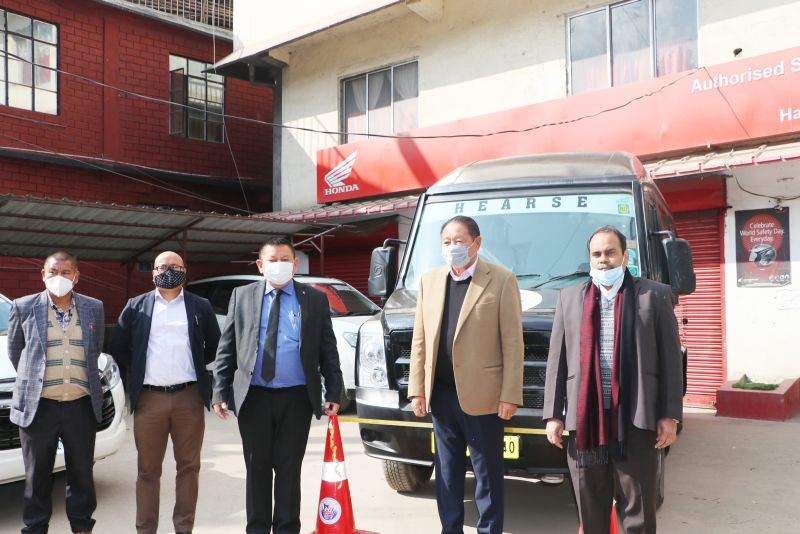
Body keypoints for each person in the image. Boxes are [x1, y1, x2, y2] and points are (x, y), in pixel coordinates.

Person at [543, 225, 683, 534]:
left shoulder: (654, 295)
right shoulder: (569, 298)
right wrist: (553, 415)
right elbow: (558, 361)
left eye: (610, 252)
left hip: (635, 419)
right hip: (586, 422)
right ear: (589, 259)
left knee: (639, 510)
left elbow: (672, 363)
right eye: (596, 254)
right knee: (590, 507)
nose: (603, 259)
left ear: (624, 255)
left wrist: (669, 415)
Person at [212, 236, 343, 534]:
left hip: (296, 399)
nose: (279, 265)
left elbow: (328, 349)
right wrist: (219, 389)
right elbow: (227, 348)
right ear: (261, 265)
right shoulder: (242, 296)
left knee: (288, 470)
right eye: (273, 260)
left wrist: (334, 389)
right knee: (257, 469)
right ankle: (256, 529)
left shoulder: (314, 298)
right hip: (254, 397)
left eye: (285, 259)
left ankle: (287, 529)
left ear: (295, 264)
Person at [408, 215, 524, 534]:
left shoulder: (501, 280)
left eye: (459, 241)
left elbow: (513, 343)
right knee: (447, 473)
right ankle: (451, 529)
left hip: (484, 397)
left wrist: (510, 395)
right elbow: (421, 339)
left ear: (477, 243)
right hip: (442, 395)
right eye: (446, 242)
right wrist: (418, 390)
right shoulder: (430, 281)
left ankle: (488, 530)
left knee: (487, 473)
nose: (453, 247)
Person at [110, 251, 220, 534]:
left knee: (189, 467)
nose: (168, 271)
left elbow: (213, 346)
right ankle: (146, 530)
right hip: (149, 399)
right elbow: (120, 346)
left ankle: (184, 528)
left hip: (189, 397)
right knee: (148, 471)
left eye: (175, 266)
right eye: (162, 267)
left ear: (185, 270)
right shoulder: (136, 306)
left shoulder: (200, 306)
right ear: (153, 272)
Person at [7, 251, 105, 534]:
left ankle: (82, 526)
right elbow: (17, 354)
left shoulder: (93, 307)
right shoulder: (24, 306)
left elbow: (94, 349)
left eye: (65, 272)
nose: (58, 278)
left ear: (76, 276)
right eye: (53, 272)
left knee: (82, 473)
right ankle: (35, 527)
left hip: (80, 405)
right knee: (37, 476)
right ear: (43, 275)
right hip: (39, 408)